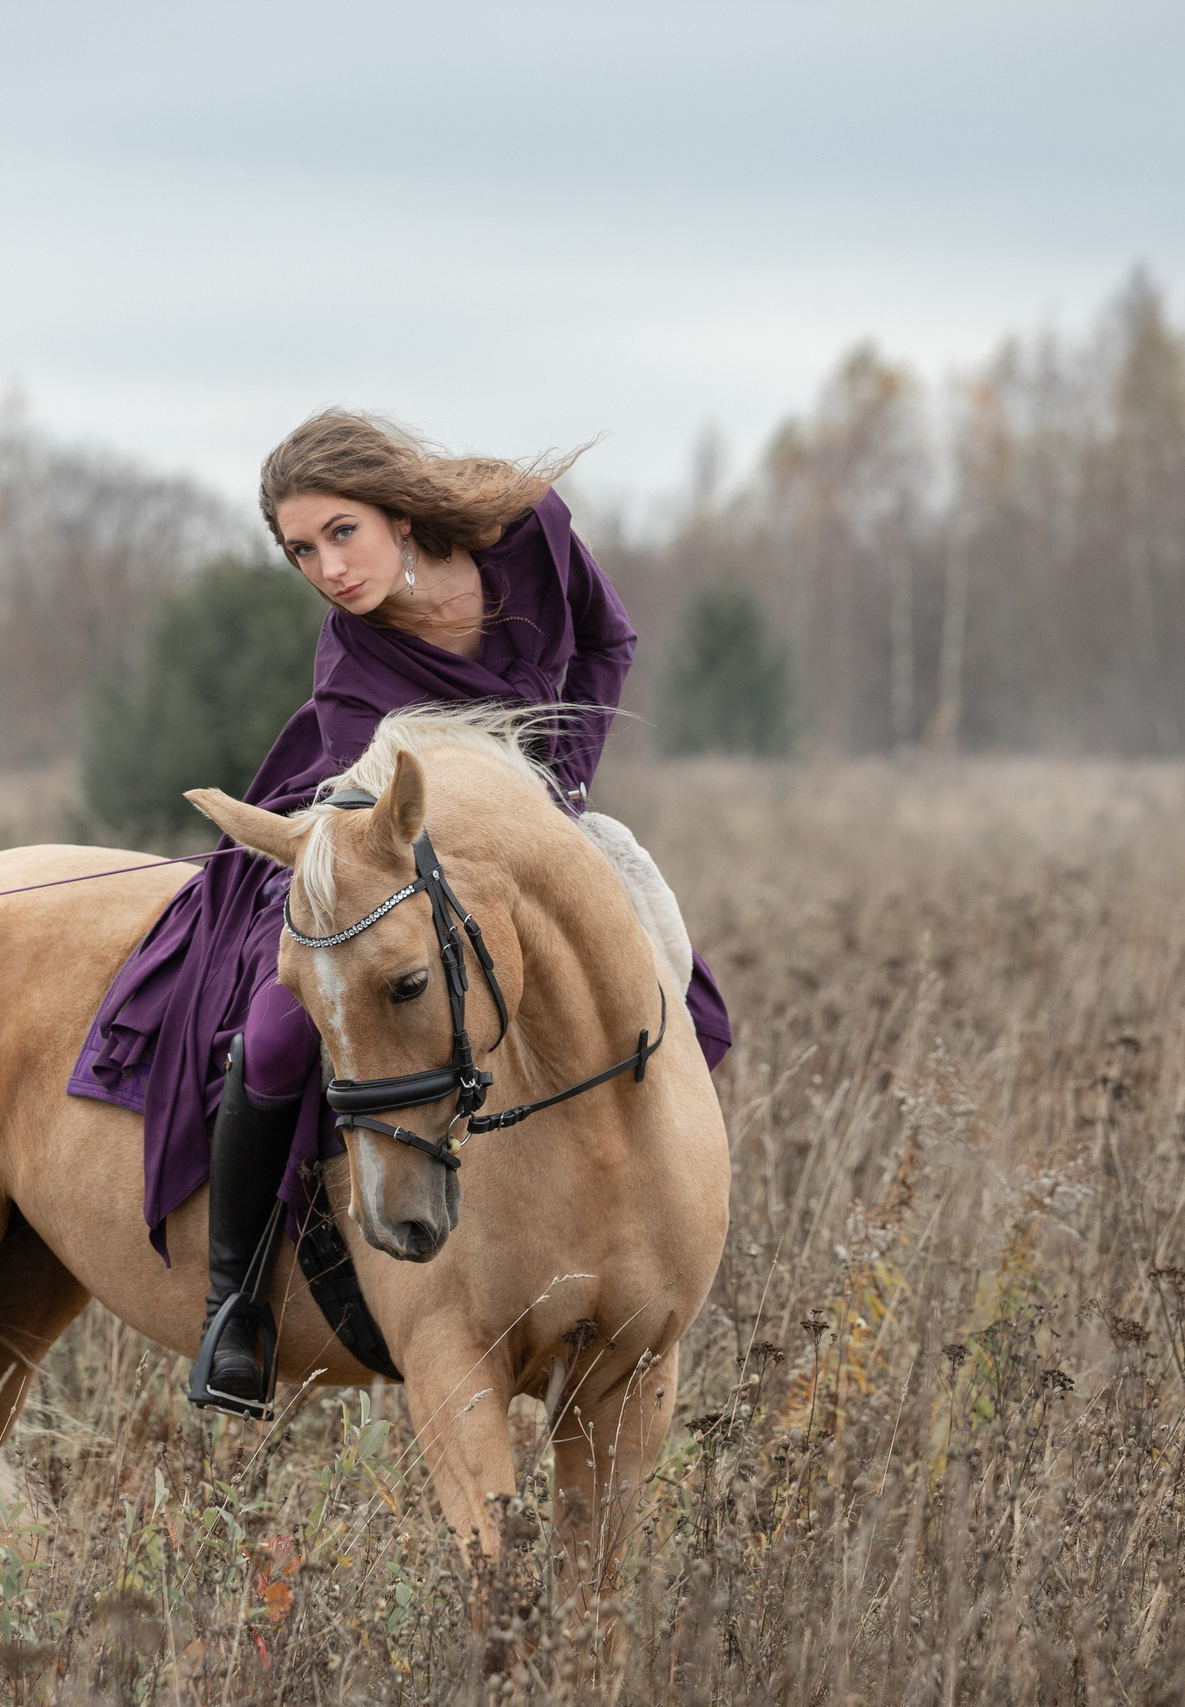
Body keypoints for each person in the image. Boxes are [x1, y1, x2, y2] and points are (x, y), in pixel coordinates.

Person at [65, 410, 733, 1414]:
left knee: (667, 979)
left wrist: (558, 793)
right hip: (366, 841)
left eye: (342, 532)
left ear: (400, 515)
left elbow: (607, 640)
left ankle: (651, 1220)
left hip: (535, 815)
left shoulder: (528, 529)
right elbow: (367, 816)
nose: (328, 567)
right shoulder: (351, 664)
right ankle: (234, 1305)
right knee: (277, 1035)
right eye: (301, 550)